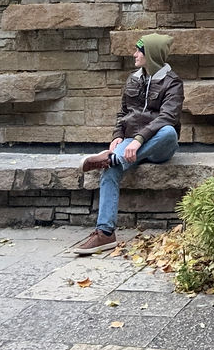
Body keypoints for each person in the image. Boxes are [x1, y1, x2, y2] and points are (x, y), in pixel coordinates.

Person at [73, 33, 184, 255]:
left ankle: (114, 158)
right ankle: (105, 233)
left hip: (158, 144)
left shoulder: (173, 83)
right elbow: (123, 113)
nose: (134, 54)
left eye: (139, 51)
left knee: (169, 132)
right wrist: (117, 136)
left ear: (151, 54)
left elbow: (167, 117)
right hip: (130, 143)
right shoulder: (133, 79)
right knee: (111, 167)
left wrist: (140, 139)